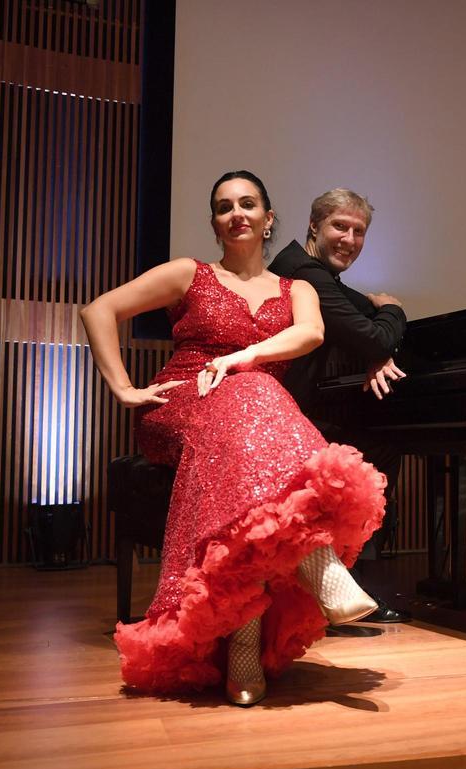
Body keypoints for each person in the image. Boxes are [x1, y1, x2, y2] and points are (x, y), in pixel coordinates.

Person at [80, 171, 385, 705]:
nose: (236, 213)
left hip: (251, 416)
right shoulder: (189, 273)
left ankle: (244, 638)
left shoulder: (299, 289)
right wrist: (124, 388)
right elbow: (97, 310)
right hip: (182, 403)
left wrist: (243, 359)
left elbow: (309, 332)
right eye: (224, 207)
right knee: (257, 396)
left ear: (269, 220)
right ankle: (319, 564)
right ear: (216, 223)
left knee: (256, 393)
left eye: (248, 204)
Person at [269, 189, 411, 623]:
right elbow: (375, 334)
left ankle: (341, 576)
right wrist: (393, 310)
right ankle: (339, 583)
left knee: (378, 445)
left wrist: (373, 345)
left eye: (358, 231)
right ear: (314, 226)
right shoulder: (304, 272)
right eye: (339, 227)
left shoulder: (308, 271)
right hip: (282, 416)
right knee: (378, 451)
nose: (349, 239)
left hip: (297, 407)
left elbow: (358, 322)